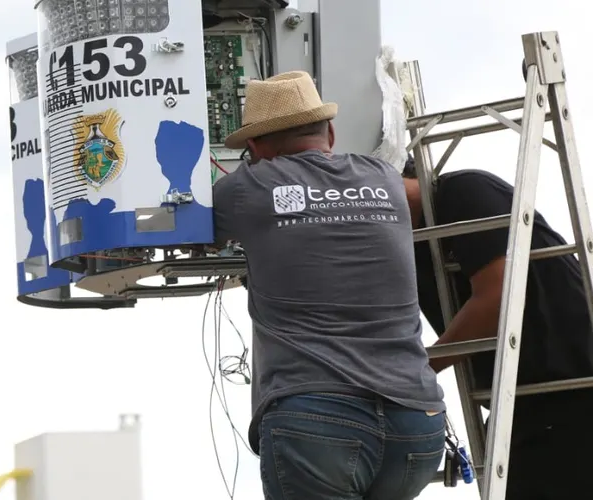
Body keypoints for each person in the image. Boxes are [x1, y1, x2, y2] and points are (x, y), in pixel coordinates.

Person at [211, 70, 447, 500]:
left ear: (257, 147)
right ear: (331, 131)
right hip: (417, 422)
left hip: (317, 421)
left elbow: (183, 230)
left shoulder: (250, 186)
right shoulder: (387, 179)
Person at [402, 157, 593, 499]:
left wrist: (416, 372)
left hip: (574, 388)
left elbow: (498, 299)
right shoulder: (404, 247)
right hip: (524, 408)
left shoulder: (461, 191)